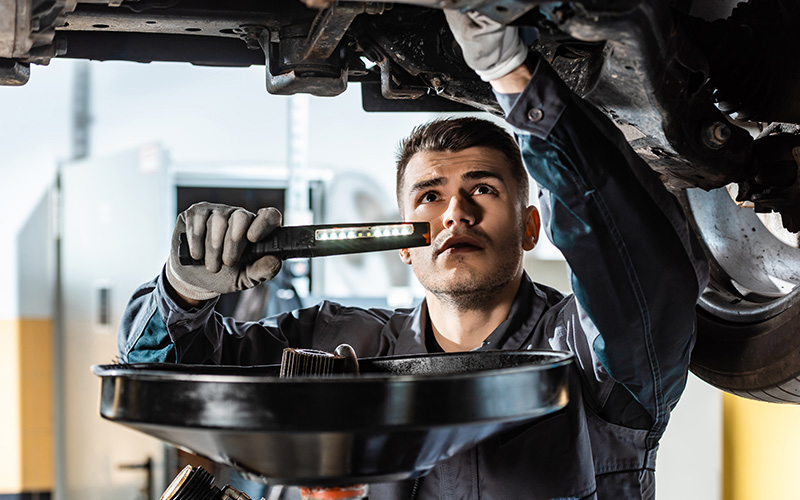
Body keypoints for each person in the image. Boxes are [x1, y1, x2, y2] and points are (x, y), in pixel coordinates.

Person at [117, 10, 708, 500]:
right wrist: (183, 290)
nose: (455, 214)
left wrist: (513, 75)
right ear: (404, 244)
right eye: (431, 196)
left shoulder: (585, 355)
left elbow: (641, 276)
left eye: (483, 189)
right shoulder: (338, 347)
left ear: (531, 227)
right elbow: (154, 377)